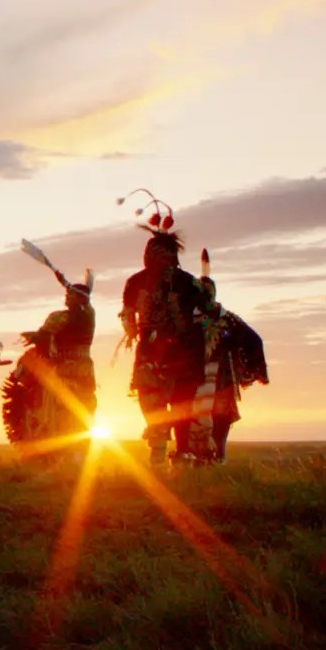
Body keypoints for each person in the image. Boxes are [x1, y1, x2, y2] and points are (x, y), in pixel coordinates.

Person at [119, 196, 207, 466]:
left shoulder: (188, 282)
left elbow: (204, 311)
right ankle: (159, 449)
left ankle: (180, 453)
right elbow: (127, 313)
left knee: (181, 404)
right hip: (151, 351)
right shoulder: (135, 282)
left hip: (182, 350)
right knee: (151, 401)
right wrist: (132, 328)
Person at [187, 250, 268, 463]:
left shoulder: (227, 319)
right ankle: (200, 461)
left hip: (220, 379)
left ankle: (217, 459)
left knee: (219, 421)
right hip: (195, 380)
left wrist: (249, 366)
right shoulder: (187, 320)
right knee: (194, 422)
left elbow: (253, 340)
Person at [3, 273, 97, 450]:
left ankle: (65, 453)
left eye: (70, 295)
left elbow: (44, 338)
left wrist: (37, 337)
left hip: (67, 371)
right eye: (66, 295)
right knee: (76, 412)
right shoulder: (85, 315)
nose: (66, 298)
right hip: (79, 371)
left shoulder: (69, 317)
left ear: (80, 298)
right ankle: (68, 454)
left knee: (63, 412)